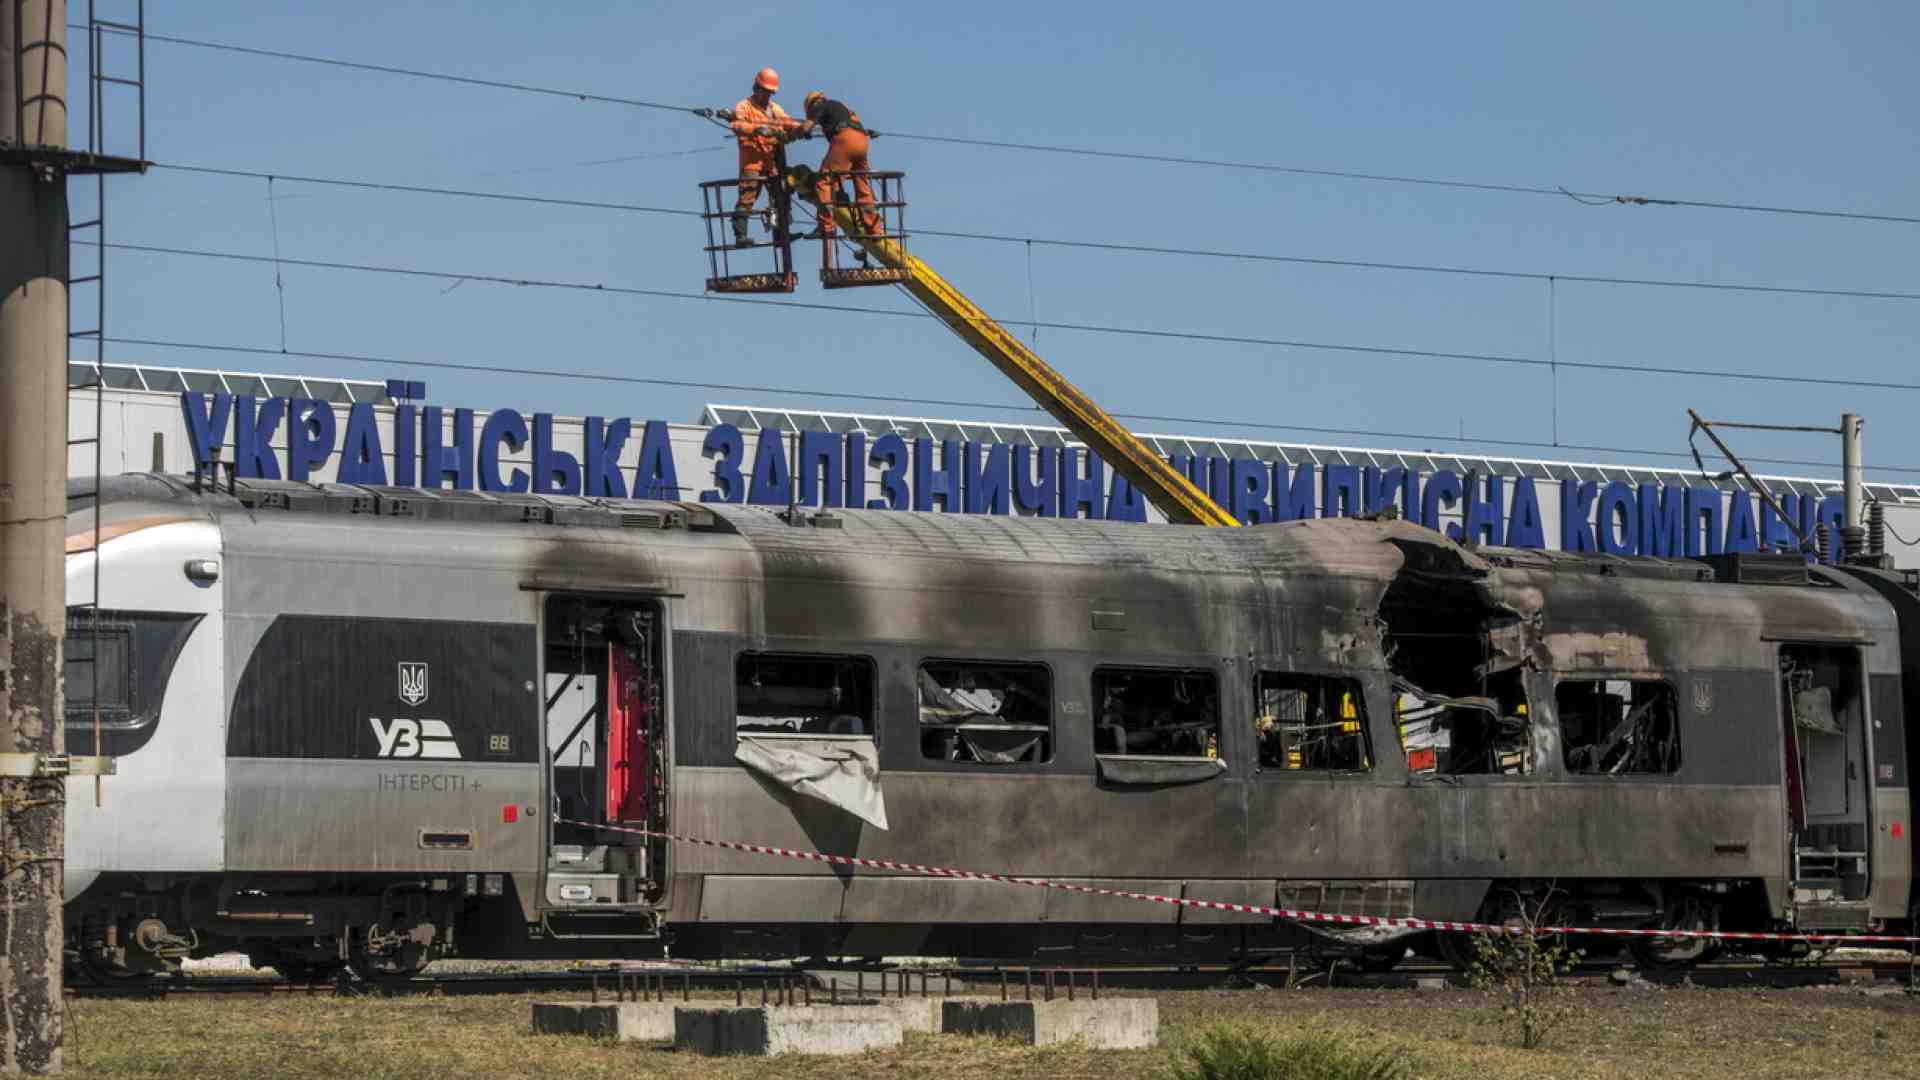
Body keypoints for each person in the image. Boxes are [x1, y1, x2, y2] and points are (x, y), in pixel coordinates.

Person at [728, 67, 804, 246]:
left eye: (771, 93)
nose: (768, 96)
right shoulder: (744, 106)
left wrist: (800, 128)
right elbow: (736, 125)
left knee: (780, 197)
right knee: (748, 196)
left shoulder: (773, 109)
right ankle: (740, 236)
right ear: (757, 88)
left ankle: (781, 235)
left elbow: (786, 121)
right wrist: (755, 129)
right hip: (752, 161)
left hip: (772, 161)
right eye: (766, 92)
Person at [800, 91, 883, 239]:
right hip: (862, 141)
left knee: (825, 181)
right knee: (862, 184)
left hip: (845, 140)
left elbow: (807, 126)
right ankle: (874, 229)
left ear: (813, 104)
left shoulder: (821, 106)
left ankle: (826, 227)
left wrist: (804, 131)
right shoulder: (841, 107)